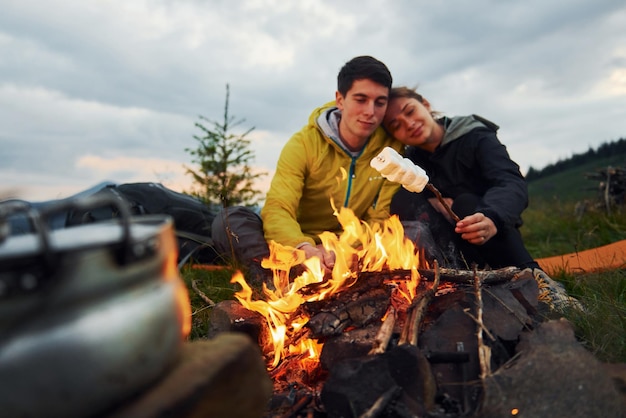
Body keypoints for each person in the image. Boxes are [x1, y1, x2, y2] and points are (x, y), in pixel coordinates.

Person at [382, 86, 581, 310]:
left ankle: (536, 281)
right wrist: (433, 202)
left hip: (492, 233)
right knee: (402, 201)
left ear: (425, 105)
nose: (408, 124)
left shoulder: (473, 136)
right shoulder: (412, 162)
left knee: (466, 203)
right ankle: (450, 286)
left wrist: (492, 217)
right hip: (450, 245)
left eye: (410, 111)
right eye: (395, 125)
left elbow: (510, 181)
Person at [211, 56, 402, 286]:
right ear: (340, 100)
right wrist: (303, 248)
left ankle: (323, 279)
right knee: (229, 221)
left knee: (409, 230)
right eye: (361, 99)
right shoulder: (303, 144)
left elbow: (381, 217)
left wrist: (338, 248)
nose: (370, 111)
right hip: (294, 242)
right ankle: (274, 281)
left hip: (348, 247)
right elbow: (278, 207)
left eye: (380, 103)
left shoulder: (391, 150)